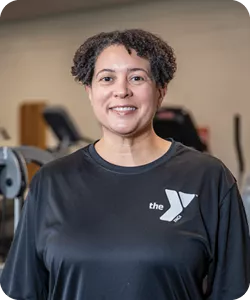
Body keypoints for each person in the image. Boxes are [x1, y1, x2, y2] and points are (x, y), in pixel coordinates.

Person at [0, 29, 249, 300]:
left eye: (137, 78)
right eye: (107, 78)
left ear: (160, 91)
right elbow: (22, 292)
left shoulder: (209, 178)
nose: (121, 91)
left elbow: (233, 291)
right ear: (90, 91)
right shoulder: (51, 182)